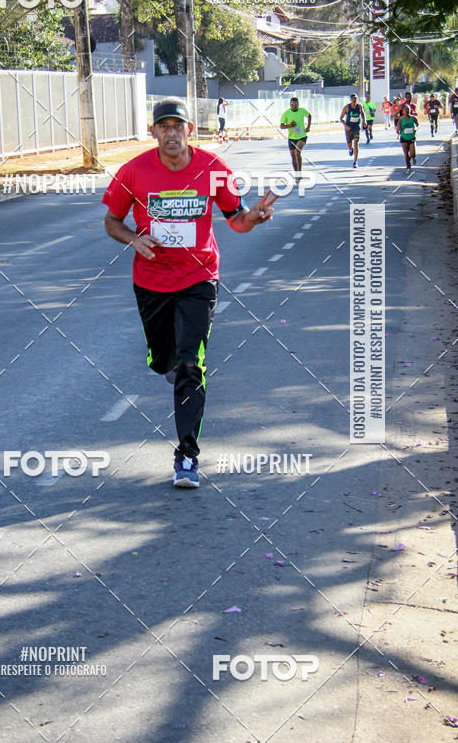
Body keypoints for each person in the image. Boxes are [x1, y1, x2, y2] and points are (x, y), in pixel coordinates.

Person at [103, 98, 277, 489]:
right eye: (163, 126)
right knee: (163, 359)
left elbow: (237, 219)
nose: (171, 132)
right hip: (150, 283)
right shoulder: (133, 172)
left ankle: (186, 457)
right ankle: (166, 360)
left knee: (190, 365)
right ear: (153, 132)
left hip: (200, 279)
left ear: (189, 131)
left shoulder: (213, 169)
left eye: (177, 125)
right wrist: (134, 239)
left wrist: (255, 217)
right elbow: (112, 220)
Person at [280, 97, 312, 178]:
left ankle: (299, 172)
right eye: (292, 104)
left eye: (296, 104)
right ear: (290, 104)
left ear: (298, 104)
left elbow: (309, 115)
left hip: (302, 136)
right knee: (293, 156)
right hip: (291, 137)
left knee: (297, 152)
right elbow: (281, 126)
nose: (294, 106)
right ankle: (296, 174)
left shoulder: (302, 110)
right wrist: (289, 125)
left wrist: (308, 126)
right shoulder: (286, 113)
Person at [340, 93, 367, 168]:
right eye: (353, 99)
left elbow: (362, 113)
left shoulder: (359, 106)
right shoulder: (347, 107)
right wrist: (345, 126)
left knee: (356, 141)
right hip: (349, 127)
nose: (354, 100)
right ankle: (351, 149)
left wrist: (364, 121)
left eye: (356, 99)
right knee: (349, 144)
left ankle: (355, 162)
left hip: (356, 127)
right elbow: (341, 118)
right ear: (350, 99)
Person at [396, 102, 418, 172]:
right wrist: (398, 131)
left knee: (412, 153)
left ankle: (413, 157)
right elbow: (398, 128)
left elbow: (418, 125)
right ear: (403, 111)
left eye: (408, 110)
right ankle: (408, 166)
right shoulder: (401, 119)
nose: (407, 111)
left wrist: (415, 129)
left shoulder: (413, 118)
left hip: (411, 137)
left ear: (410, 110)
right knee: (406, 154)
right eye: (405, 110)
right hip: (404, 138)